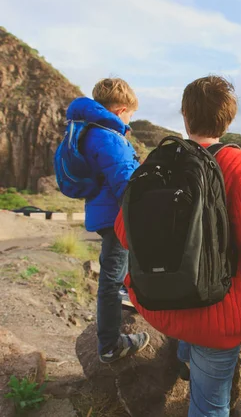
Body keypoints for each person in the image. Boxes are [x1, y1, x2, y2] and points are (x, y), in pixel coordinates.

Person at [114, 75, 241, 416]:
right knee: (210, 408)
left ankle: (186, 360)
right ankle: (193, 364)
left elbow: (124, 232)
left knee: (189, 342)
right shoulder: (238, 164)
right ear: (228, 120)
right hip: (213, 313)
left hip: (160, 302)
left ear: (184, 116)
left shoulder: (159, 160)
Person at [66, 78, 150, 363]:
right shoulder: (109, 136)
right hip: (116, 216)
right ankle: (110, 345)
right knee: (112, 279)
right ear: (120, 110)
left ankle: (126, 300)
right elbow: (125, 183)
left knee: (118, 271)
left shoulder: (91, 131)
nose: (130, 121)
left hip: (104, 212)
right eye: (130, 115)